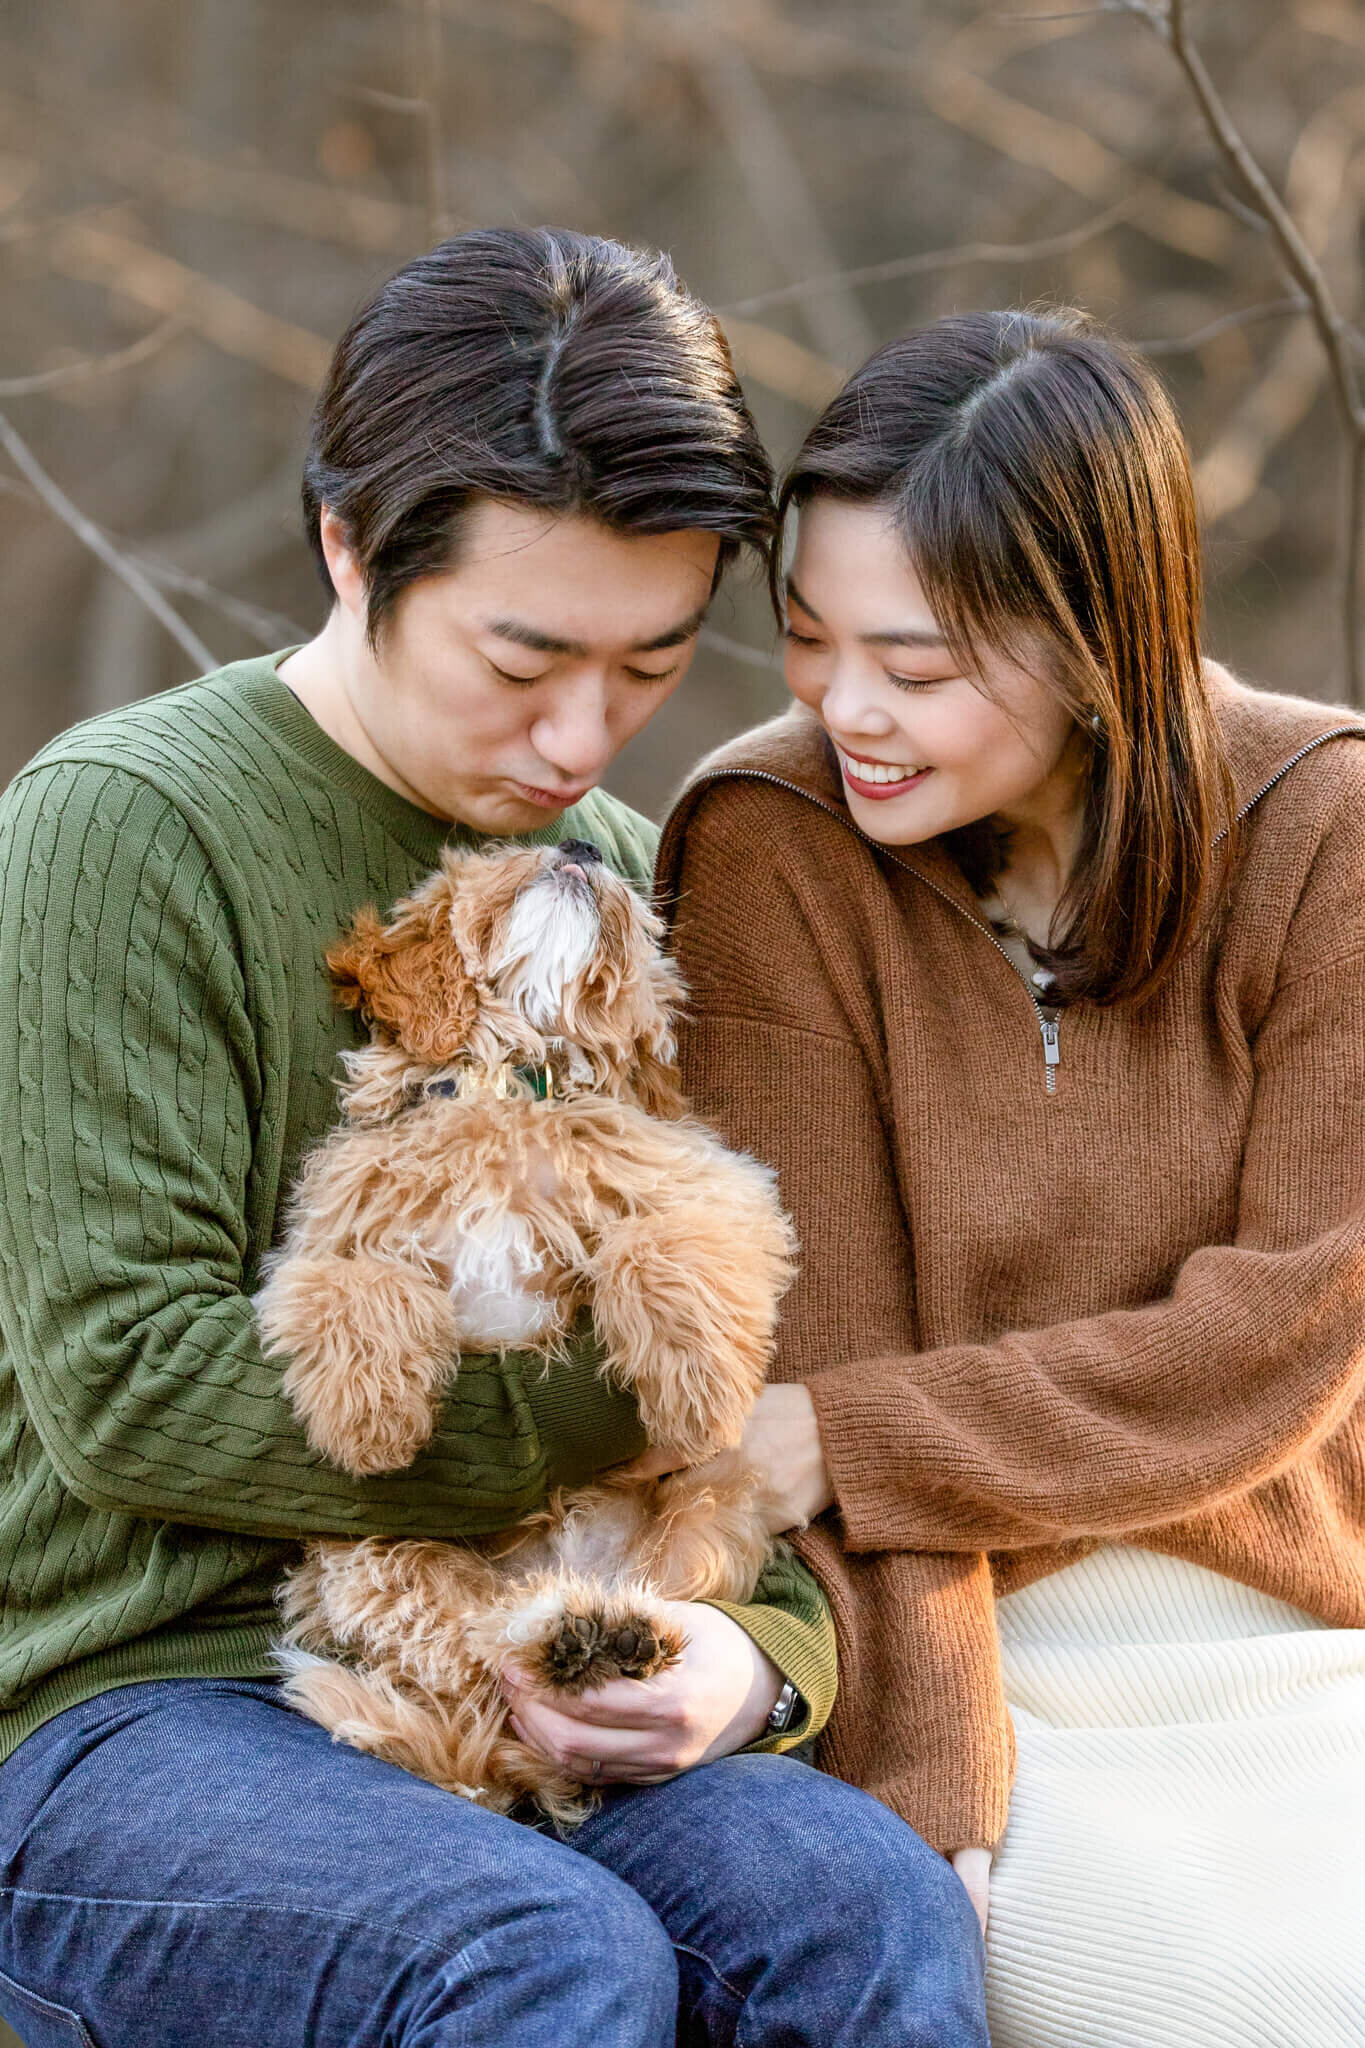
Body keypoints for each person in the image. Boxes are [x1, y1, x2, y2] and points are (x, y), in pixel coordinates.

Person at [0, 231, 987, 2048]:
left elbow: (721, 1331)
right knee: (528, 1959)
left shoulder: (613, 882)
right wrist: (618, 1407)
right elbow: (128, 1384)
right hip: (145, 1705)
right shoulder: (119, 826)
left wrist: (747, 1664)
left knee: (858, 1905)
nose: (579, 735)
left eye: (649, 666)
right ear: (347, 547)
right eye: (524, 656)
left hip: (558, 1637)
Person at [655, 307, 1365, 2046]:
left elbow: (1279, 1335)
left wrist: (867, 1433)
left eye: (916, 664)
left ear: (1100, 640)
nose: (845, 709)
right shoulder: (772, 846)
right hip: (969, 1652)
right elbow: (797, 1387)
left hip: (1309, 1641)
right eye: (811, 642)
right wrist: (935, 1788)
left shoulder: (1327, 829)